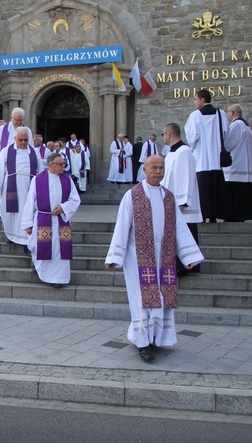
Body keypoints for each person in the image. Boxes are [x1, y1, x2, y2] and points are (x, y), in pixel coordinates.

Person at [105, 155, 204, 362]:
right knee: (141, 300)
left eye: (161, 168)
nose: (158, 171)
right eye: (154, 168)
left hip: (164, 256)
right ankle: (143, 343)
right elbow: (122, 225)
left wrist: (188, 255)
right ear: (144, 169)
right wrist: (115, 255)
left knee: (160, 298)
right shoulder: (133, 195)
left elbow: (179, 227)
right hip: (137, 257)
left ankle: (157, 337)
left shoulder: (169, 197)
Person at [22, 153, 80, 287]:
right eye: (60, 164)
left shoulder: (67, 179)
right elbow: (30, 201)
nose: (63, 166)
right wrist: (27, 223)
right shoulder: (38, 179)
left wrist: (63, 207)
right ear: (50, 165)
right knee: (40, 246)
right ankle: (43, 272)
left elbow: (75, 199)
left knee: (60, 249)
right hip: (43, 218)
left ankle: (60, 279)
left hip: (61, 220)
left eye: (63, 163)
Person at [0, 127, 42, 246]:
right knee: (10, 212)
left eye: (25, 140)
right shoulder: (6, 151)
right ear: (15, 139)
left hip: (29, 186)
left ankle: (27, 238)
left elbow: (40, 171)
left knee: (28, 212)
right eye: (20, 140)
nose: (23, 142)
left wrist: (42, 187)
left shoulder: (34, 153)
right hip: (11, 186)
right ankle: (11, 235)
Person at [162, 123, 203, 274]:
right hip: (172, 203)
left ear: (168, 134)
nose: (163, 137)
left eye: (163, 134)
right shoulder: (172, 153)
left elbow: (185, 178)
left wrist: (182, 202)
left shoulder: (184, 151)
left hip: (182, 205)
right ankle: (179, 265)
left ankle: (188, 266)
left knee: (186, 235)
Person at [184, 89, 228, 222]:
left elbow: (192, 137)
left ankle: (202, 215)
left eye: (196, 99)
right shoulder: (221, 114)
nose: (195, 102)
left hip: (201, 159)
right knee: (216, 188)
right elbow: (226, 132)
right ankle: (214, 216)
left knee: (202, 189)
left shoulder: (195, 115)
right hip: (216, 159)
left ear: (203, 99)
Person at [223, 104, 252, 222]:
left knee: (234, 196)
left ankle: (232, 215)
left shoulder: (236, 125)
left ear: (233, 112)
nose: (227, 114)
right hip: (244, 166)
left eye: (228, 111)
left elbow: (228, 144)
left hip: (236, 166)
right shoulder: (246, 126)